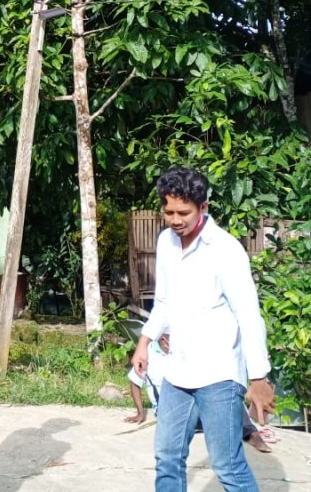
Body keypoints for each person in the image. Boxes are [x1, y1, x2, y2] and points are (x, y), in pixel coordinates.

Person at [132, 167, 276, 491]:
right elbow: (164, 301)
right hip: (178, 371)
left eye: (184, 213)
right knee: (167, 457)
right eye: (168, 211)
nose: (175, 220)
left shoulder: (225, 250)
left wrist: (258, 377)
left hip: (219, 375)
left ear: (203, 207)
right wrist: (145, 341)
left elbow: (249, 315)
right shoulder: (166, 242)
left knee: (227, 465)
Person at [125, 335, 271, 453]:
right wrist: (140, 413)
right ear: (164, 340)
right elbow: (134, 381)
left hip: (193, 403)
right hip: (169, 410)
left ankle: (251, 434)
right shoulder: (148, 354)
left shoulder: (185, 351)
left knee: (229, 399)